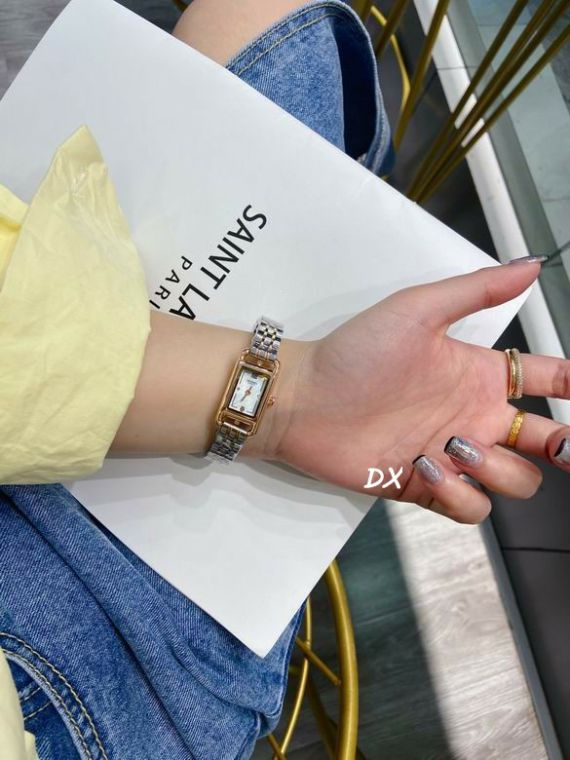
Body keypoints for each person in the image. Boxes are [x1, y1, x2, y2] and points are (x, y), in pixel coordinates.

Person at [0, 0, 568, 759]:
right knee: (272, 29)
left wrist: (289, 395)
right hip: (96, 676)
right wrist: (284, 397)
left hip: (85, 659)